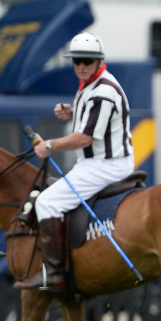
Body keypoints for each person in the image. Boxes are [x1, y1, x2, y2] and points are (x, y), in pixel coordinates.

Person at [16, 32, 134, 291]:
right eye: (77, 60)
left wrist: (50, 145)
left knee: (47, 201)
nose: (81, 66)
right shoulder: (91, 84)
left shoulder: (102, 91)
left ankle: (55, 272)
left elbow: (84, 138)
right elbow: (92, 117)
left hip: (105, 165)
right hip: (98, 162)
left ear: (100, 60)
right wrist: (72, 110)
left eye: (87, 61)